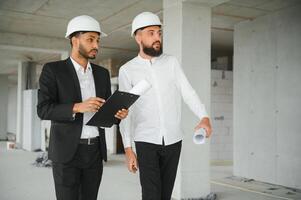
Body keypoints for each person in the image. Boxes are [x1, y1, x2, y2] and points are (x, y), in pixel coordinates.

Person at [118, 12, 212, 200]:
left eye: (159, 33)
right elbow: (125, 112)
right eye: (151, 33)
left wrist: (204, 116)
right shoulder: (127, 70)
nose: (157, 38)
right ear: (138, 37)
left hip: (173, 140)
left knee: (165, 195)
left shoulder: (171, 63)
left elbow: (188, 92)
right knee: (152, 195)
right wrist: (128, 149)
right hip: (145, 141)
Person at [37, 15, 128, 200]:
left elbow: (107, 111)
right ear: (74, 39)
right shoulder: (53, 70)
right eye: (90, 39)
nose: (96, 45)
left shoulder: (102, 74)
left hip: (94, 152)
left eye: (98, 40)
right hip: (67, 153)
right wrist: (77, 107)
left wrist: (118, 114)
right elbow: (44, 109)